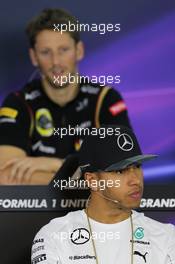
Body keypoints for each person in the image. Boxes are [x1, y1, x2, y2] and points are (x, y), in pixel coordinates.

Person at [0, 9, 131, 185]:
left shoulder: (105, 99)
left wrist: (55, 164)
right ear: (33, 57)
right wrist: (89, 178)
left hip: (94, 213)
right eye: (46, 52)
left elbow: (125, 174)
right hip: (36, 213)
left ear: (79, 51)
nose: (56, 62)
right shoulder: (18, 103)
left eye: (63, 50)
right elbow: (6, 176)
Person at [31, 125, 175, 263]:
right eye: (120, 171)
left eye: (137, 167)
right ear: (92, 180)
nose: (136, 180)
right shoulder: (54, 236)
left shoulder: (167, 237)